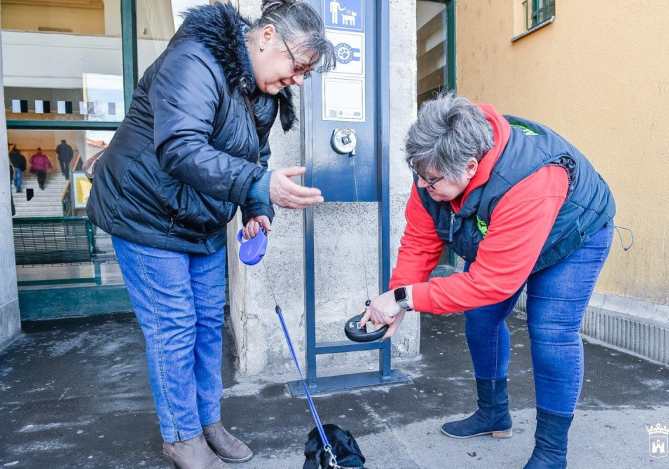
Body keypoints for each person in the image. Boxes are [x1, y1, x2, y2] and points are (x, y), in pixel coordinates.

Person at [86, 2, 334, 468]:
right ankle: (180, 436)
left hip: (199, 218)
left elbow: (254, 157)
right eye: (297, 65)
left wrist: (257, 206)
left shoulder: (262, 90)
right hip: (144, 211)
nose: (298, 80)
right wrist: (258, 186)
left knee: (205, 324)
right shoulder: (195, 60)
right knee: (173, 327)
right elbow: (180, 147)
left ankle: (207, 421)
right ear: (265, 37)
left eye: (307, 73)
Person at [362, 94, 616, 469]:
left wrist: (405, 298)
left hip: (572, 236)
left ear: (468, 167)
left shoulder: (528, 180)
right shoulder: (435, 166)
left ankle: (550, 453)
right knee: (481, 320)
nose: (420, 184)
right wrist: (397, 298)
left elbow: (490, 283)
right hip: (507, 235)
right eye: (417, 173)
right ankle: (493, 415)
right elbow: (420, 239)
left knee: (551, 332)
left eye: (429, 179)